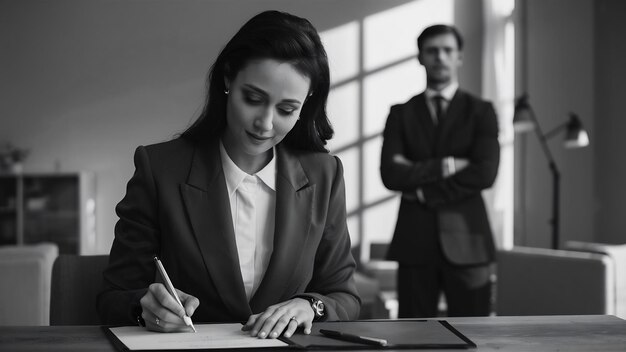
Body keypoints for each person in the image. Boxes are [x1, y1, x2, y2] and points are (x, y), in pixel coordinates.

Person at [97, 10, 360, 338]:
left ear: (305, 104)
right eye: (253, 99)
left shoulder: (325, 174)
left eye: (286, 109)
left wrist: (310, 304)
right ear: (227, 79)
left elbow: (344, 295)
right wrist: (143, 308)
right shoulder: (159, 169)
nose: (265, 124)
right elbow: (113, 297)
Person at [380, 24, 499, 318]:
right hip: (414, 244)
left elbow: (484, 173)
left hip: (469, 243)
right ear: (420, 57)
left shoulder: (482, 111)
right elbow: (391, 175)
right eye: (432, 51)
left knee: (475, 337)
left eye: (448, 50)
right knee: (413, 338)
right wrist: (448, 165)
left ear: (459, 57)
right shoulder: (401, 113)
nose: (440, 57)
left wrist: (421, 190)